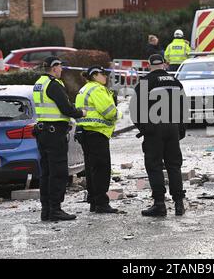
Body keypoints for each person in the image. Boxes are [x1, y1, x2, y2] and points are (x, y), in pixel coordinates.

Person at [130, 54, 187, 217]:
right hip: (173, 127)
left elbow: (136, 109)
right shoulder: (175, 82)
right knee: (174, 165)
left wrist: (144, 128)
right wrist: (181, 129)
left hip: (154, 128)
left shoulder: (145, 82)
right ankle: (178, 203)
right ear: (164, 65)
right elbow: (184, 107)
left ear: (149, 66)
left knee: (154, 165)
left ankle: (160, 204)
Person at [33, 57, 87, 222]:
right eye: (60, 67)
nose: (61, 69)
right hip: (54, 133)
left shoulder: (39, 83)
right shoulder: (54, 85)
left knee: (46, 173)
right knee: (58, 172)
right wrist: (81, 112)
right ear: (54, 68)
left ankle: (46, 210)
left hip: (43, 132)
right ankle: (55, 209)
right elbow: (66, 108)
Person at [75, 66, 121, 214]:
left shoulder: (84, 89)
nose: (105, 77)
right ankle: (101, 202)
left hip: (85, 132)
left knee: (91, 169)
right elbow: (109, 112)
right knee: (102, 169)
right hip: (97, 132)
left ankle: (94, 201)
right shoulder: (97, 89)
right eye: (103, 74)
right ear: (95, 75)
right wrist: (117, 113)